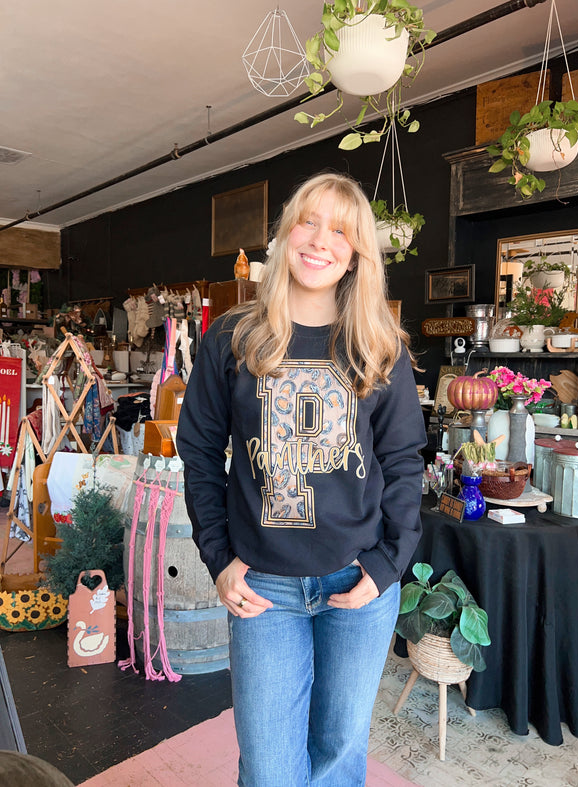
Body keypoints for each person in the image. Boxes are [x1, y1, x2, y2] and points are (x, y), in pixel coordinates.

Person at [177, 172, 426, 786]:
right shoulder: (230, 339)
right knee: (268, 770)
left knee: (340, 756)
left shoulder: (378, 346)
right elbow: (201, 453)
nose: (320, 241)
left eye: (340, 230)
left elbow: (403, 463)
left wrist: (388, 564)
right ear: (285, 232)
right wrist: (219, 557)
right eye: (307, 222)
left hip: (358, 585)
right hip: (264, 587)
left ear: (357, 253)